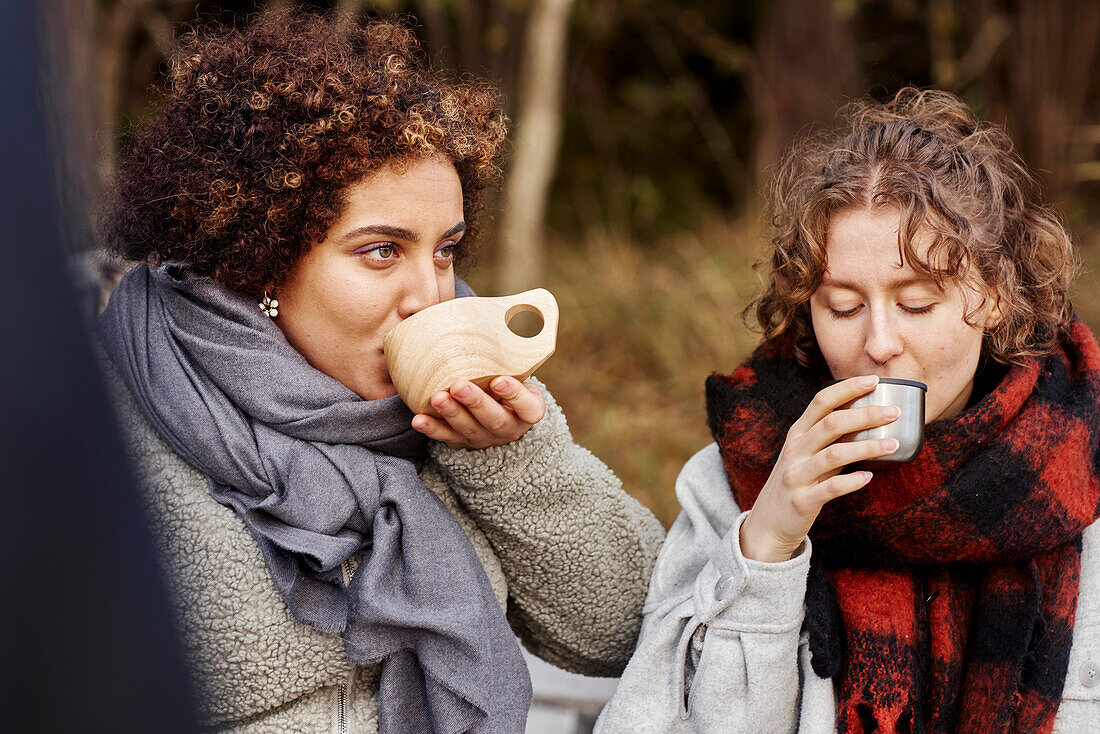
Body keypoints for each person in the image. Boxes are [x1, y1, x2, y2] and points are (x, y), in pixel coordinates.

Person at [94, 12, 664, 734]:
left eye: (445, 250)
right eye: (381, 252)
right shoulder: (104, 430)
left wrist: (513, 463)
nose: (430, 297)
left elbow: (624, 630)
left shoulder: (457, 406)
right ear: (259, 254)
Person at [596, 87, 1100, 734]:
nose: (879, 343)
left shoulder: (1079, 469)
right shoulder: (736, 479)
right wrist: (767, 545)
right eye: (841, 306)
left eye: (917, 304)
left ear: (997, 296)